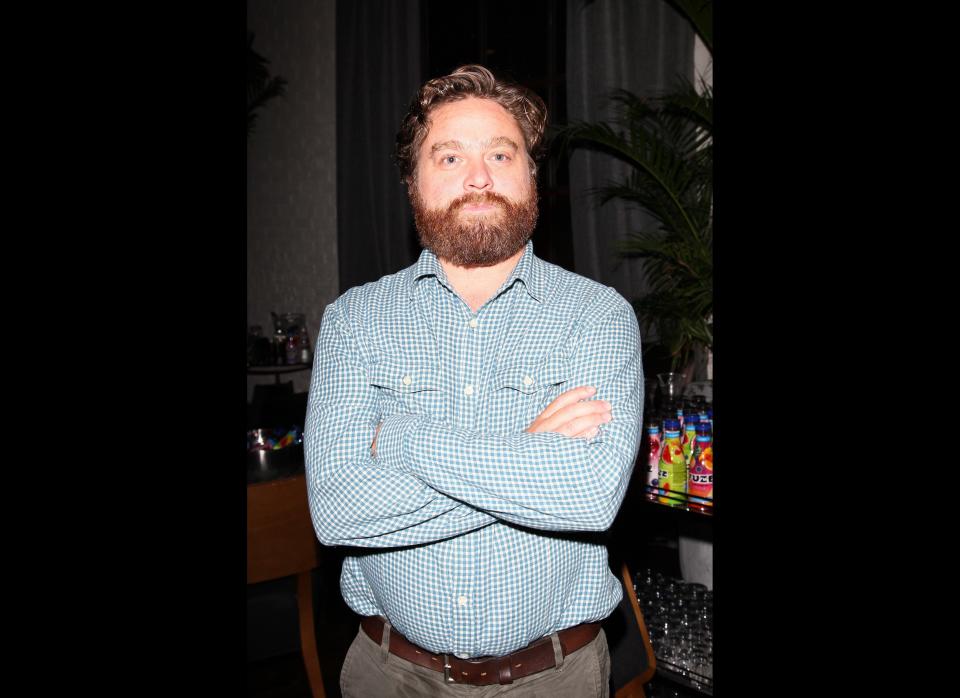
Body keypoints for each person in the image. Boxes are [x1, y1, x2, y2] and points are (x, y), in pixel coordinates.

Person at [304, 64, 643, 697]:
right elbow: (338, 512)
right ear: (414, 181)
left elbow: (590, 495)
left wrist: (403, 441)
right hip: (388, 675)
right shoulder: (353, 322)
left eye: (500, 153)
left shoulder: (598, 316)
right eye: (450, 156)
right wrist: (528, 448)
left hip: (556, 678)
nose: (479, 176)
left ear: (530, 174)